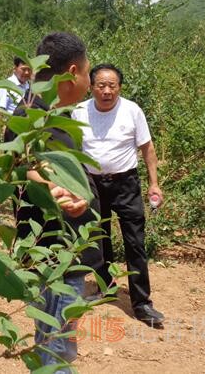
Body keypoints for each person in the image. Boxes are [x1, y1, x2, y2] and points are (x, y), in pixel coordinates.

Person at [4, 32, 103, 372]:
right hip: (56, 255)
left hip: (59, 251)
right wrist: (56, 190)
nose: (90, 82)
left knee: (53, 341)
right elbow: (27, 165)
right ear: (73, 72)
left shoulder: (46, 112)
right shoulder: (32, 116)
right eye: (89, 72)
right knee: (57, 348)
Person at [72, 63, 165, 327]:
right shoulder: (79, 112)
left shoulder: (132, 110)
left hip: (126, 184)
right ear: (91, 87)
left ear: (120, 87)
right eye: (101, 85)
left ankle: (142, 303)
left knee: (134, 241)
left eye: (112, 85)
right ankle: (107, 286)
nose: (107, 91)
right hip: (91, 184)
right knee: (98, 238)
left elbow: (147, 148)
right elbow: (70, 149)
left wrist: (154, 183)